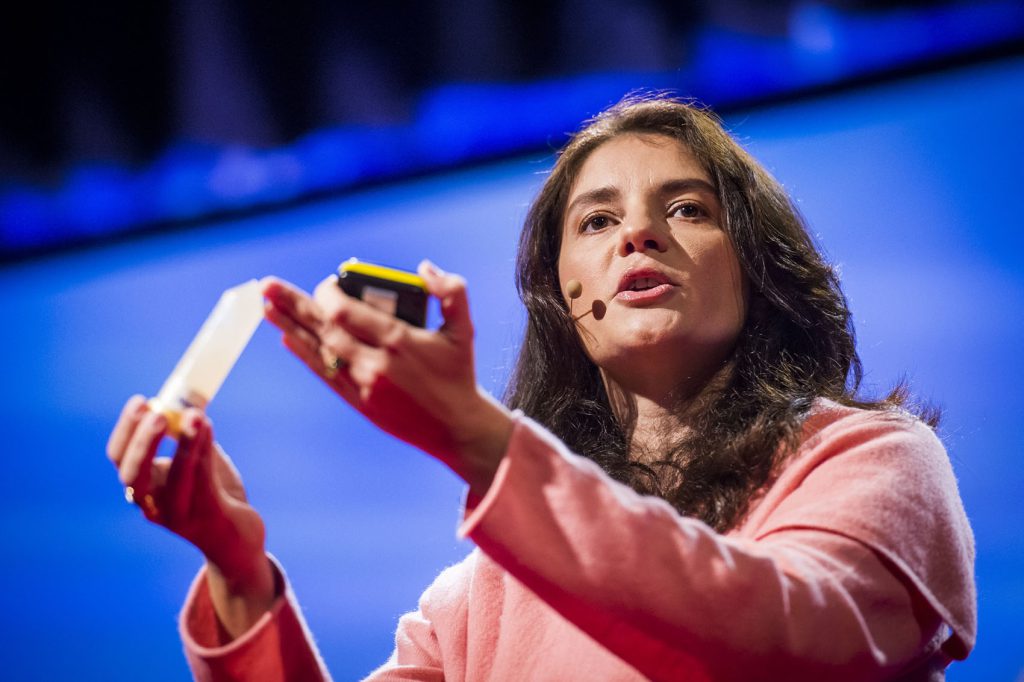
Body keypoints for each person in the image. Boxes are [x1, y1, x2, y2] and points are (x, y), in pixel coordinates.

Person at [106, 95, 976, 681]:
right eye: (597, 221)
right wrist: (237, 571)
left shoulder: (870, 461)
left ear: (756, 268)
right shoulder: (476, 602)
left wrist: (476, 440)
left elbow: (781, 644)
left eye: (687, 209)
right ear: (567, 300)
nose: (637, 232)